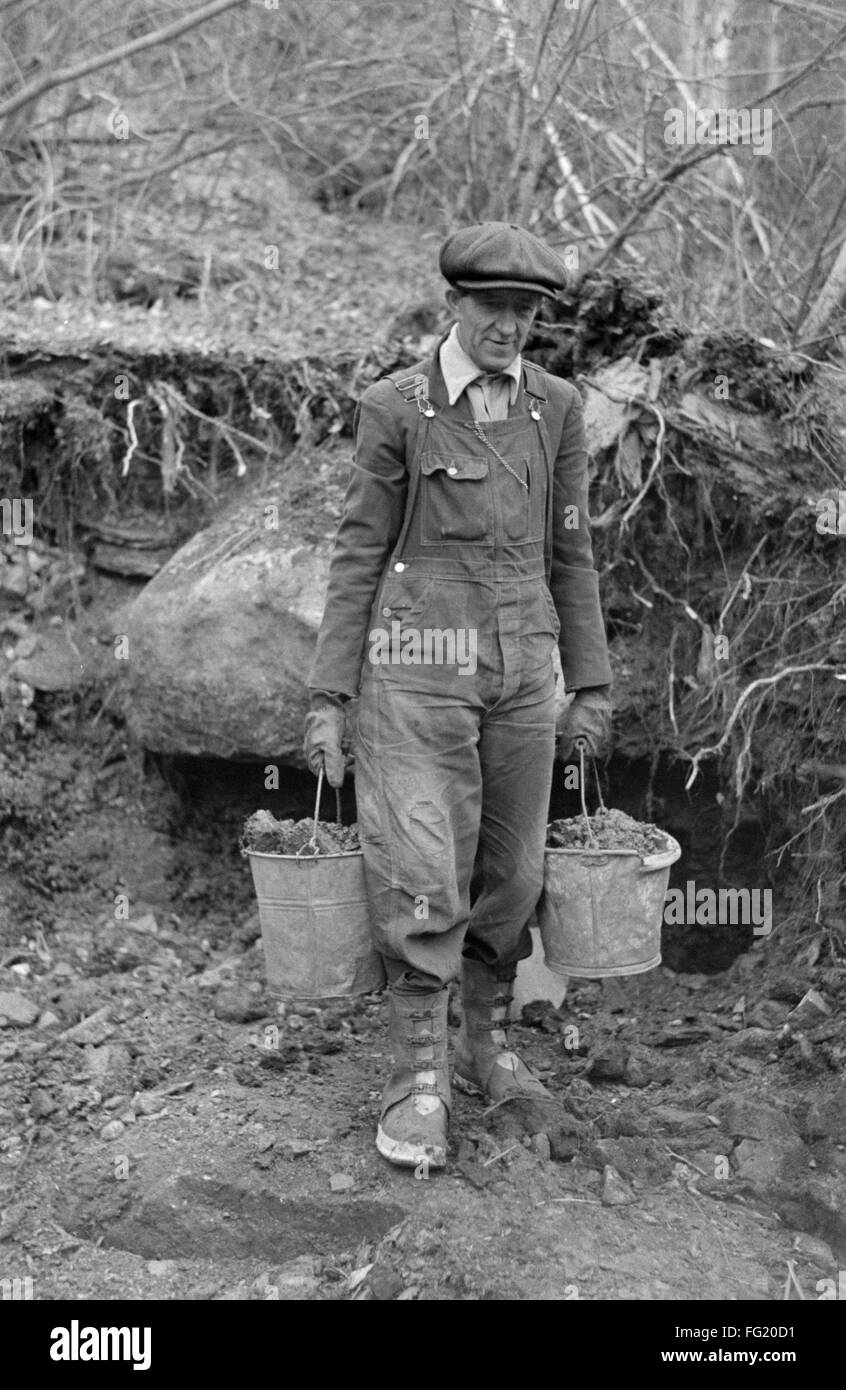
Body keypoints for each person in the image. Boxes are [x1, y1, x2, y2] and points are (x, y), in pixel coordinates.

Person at [304, 221, 612, 1171]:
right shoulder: (395, 406)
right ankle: (415, 1073)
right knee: (423, 872)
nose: (510, 328)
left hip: (523, 671)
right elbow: (361, 549)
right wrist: (330, 693)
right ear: (455, 305)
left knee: (514, 873)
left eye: (526, 313)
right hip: (416, 667)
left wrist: (590, 683)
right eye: (493, 309)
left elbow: (573, 549)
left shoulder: (556, 407)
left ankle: (484, 1041)